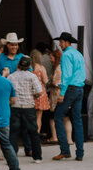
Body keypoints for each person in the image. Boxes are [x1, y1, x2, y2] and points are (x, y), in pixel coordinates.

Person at [52, 31, 86, 161]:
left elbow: (66, 75)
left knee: (58, 116)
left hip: (70, 88)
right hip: (79, 88)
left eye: (61, 42)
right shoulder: (78, 54)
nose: (60, 44)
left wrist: (61, 93)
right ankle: (80, 153)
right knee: (77, 120)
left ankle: (65, 150)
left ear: (66, 42)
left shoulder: (66, 55)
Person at [8, 56, 44, 162]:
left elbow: (8, 91)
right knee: (33, 132)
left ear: (18, 64)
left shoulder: (11, 77)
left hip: (15, 106)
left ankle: (12, 157)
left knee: (13, 132)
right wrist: (33, 96)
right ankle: (37, 156)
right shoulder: (32, 76)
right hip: (29, 106)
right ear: (29, 66)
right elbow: (39, 92)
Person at [28, 48, 52, 138]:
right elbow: (45, 81)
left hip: (30, 93)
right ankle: (36, 135)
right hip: (40, 93)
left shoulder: (29, 68)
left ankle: (30, 135)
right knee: (39, 117)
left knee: (31, 117)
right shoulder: (41, 68)